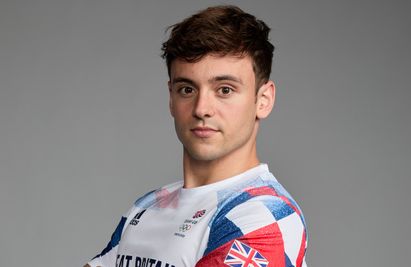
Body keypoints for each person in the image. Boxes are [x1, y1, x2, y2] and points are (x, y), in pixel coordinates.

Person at [85, 5, 307, 267]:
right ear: (171, 98)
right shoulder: (148, 207)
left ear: (263, 100)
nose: (202, 109)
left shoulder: (265, 215)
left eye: (225, 90)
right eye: (187, 89)